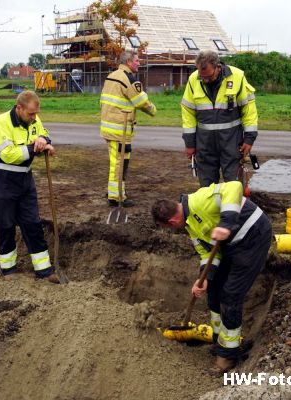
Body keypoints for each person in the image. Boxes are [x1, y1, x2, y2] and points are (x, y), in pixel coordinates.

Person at [151, 181, 272, 372]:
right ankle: (219, 343)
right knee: (214, 290)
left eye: (170, 228)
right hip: (230, 245)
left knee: (231, 294)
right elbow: (207, 253)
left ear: (172, 222)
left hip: (252, 237)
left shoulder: (200, 200)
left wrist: (226, 223)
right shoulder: (190, 226)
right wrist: (203, 278)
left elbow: (234, 186)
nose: (173, 230)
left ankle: (228, 357)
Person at [0, 90, 60, 283]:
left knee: (32, 223)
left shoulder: (33, 120)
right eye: (31, 114)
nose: (34, 118)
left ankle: (44, 270)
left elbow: (43, 133)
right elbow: (9, 155)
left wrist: (44, 140)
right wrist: (36, 148)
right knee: (5, 225)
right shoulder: (1, 123)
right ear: (19, 108)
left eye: (36, 113)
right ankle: (8, 270)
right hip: (2, 181)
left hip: (25, 181)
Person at [181, 50, 258, 186]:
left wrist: (249, 138)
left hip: (232, 141)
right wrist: (190, 143)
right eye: (201, 76)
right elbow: (188, 112)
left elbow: (249, 110)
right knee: (207, 186)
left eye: (208, 77)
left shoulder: (237, 77)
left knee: (233, 185)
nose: (205, 80)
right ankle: (211, 207)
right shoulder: (194, 79)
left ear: (218, 67)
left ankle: (233, 207)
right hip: (204, 143)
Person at [100, 50, 157, 207]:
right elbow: (141, 102)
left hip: (109, 127)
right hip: (120, 129)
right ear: (129, 62)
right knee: (120, 163)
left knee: (116, 162)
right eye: (137, 60)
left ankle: (114, 192)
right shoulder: (128, 78)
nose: (139, 63)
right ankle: (117, 196)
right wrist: (153, 110)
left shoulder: (111, 76)